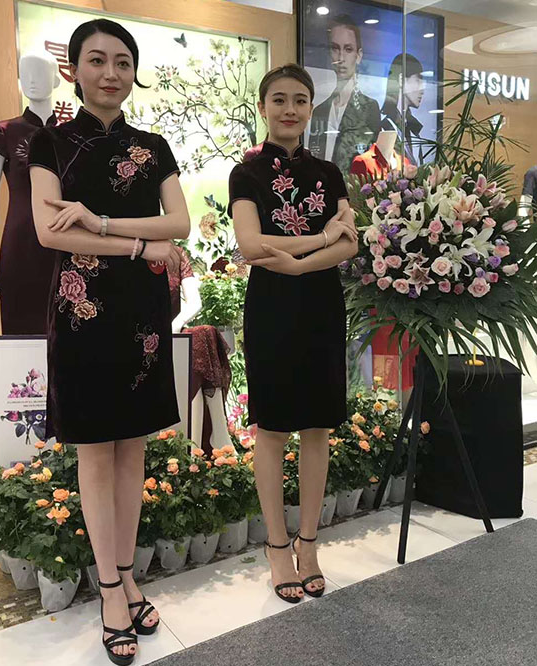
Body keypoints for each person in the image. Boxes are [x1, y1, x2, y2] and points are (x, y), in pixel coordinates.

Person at [28, 19, 190, 665]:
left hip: (143, 314)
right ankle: (111, 589)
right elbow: (49, 232)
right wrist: (140, 246)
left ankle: (125, 573)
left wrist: (98, 221)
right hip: (82, 311)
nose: (111, 73)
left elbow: (180, 221)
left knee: (133, 446)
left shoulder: (153, 145)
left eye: (123, 61)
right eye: (96, 60)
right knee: (96, 450)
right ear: (73, 69)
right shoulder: (49, 142)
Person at [229, 64, 358, 604]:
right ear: (263, 107)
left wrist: (300, 261)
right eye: (279, 99)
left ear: (310, 109)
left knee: (317, 428)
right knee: (273, 429)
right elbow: (250, 246)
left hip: (320, 306)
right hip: (272, 309)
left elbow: (350, 243)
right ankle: (277, 546)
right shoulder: (246, 174)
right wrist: (320, 239)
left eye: (300, 100)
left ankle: (309, 542)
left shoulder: (329, 173)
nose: (289, 109)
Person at [309, 14, 381, 174]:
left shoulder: (369, 108)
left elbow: (374, 162)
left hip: (355, 188)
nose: (341, 58)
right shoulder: (320, 111)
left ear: (358, 55)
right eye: (335, 48)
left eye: (348, 49)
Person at [381, 53, 425, 165]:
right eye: (418, 80)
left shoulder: (413, 129)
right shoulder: (385, 128)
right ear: (401, 80)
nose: (422, 89)